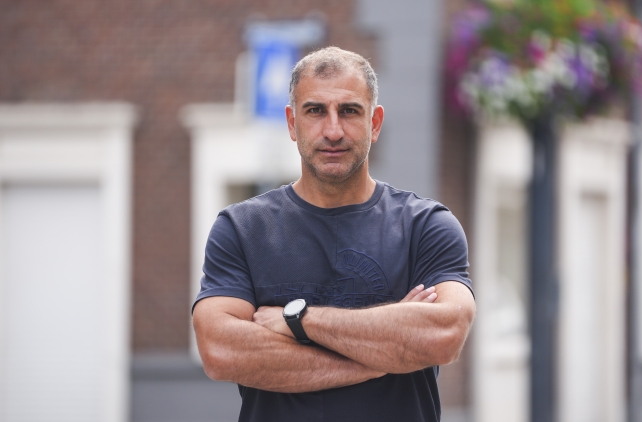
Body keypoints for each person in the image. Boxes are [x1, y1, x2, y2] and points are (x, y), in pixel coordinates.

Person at [192, 46, 476, 422]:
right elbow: (220, 351)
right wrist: (382, 356)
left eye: (349, 111)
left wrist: (299, 320)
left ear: (375, 122)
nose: (333, 130)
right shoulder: (243, 229)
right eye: (315, 111)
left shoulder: (425, 226)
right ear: (292, 123)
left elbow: (444, 335)